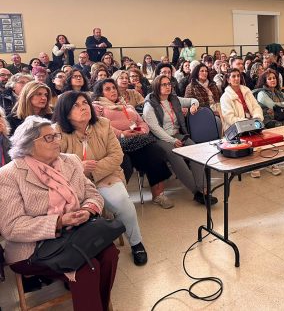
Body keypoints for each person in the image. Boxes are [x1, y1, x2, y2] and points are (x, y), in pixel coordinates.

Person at [0, 116, 118, 310]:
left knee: (109, 254)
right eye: (49, 138)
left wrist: (88, 210)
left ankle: (100, 306)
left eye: (56, 135)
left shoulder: (70, 161)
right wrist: (58, 222)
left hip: (76, 232)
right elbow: (12, 227)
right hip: (32, 247)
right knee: (86, 269)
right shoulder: (9, 175)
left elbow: (92, 194)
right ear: (29, 144)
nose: (57, 141)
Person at [53, 92, 148, 266]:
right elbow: (54, 164)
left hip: (106, 175)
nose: (83, 107)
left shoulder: (103, 124)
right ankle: (81, 253)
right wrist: (80, 167)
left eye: (85, 103)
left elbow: (116, 155)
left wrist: (94, 170)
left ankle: (136, 243)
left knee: (122, 202)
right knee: (72, 210)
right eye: (76, 105)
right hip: (73, 181)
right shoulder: (57, 132)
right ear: (65, 112)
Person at [92, 79, 174, 209]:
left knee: (156, 152)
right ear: (100, 93)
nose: (113, 90)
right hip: (115, 143)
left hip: (136, 139)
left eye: (114, 88)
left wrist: (142, 130)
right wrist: (122, 133)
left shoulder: (126, 105)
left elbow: (140, 121)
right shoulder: (98, 107)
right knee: (125, 162)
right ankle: (118, 202)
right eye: (108, 89)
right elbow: (101, 126)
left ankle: (158, 195)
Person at [143, 75, 215, 206]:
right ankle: (197, 192)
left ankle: (202, 188)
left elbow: (193, 100)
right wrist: (171, 140)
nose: (168, 87)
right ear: (156, 87)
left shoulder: (174, 99)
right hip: (160, 138)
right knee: (176, 155)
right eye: (163, 84)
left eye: (169, 84)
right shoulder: (150, 105)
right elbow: (155, 128)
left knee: (196, 150)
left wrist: (193, 105)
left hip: (176, 134)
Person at [253, 69, 284, 175]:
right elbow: (274, 106)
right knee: (279, 126)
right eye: (269, 79)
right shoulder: (261, 93)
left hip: (281, 117)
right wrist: (281, 105)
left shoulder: (279, 93)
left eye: (274, 78)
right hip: (268, 120)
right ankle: (272, 161)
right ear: (265, 81)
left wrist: (280, 105)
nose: (272, 80)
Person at [220, 68, 264, 177]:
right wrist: (247, 123)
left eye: (238, 76)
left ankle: (270, 162)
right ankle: (254, 165)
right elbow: (229, 118)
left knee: (263, 135)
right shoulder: (225, 97)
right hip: (236, 128)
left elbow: (256, 107)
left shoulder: (246, 91)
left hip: (252, 121)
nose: (236, 78)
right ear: (228, 79)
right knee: (251, 137)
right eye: (233, 76)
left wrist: (257, 118)